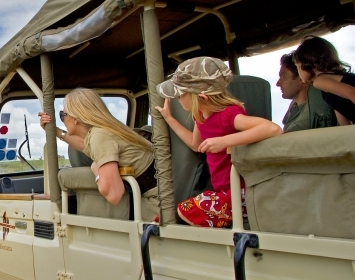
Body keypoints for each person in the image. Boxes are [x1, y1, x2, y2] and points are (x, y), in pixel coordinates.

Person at [155, 57, 282, 228]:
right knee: (166, 216)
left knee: (186, 211)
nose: (177, 98)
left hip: (240, 192)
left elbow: (273, 129)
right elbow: (195, 144)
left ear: (201, 97)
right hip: (222, 190)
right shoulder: (199, 116)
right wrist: (169, 119)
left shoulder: (229, 115)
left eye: (180, 94)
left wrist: (224, 141)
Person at [39, 88, 167, 223]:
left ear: (75, 118)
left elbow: (114, 195)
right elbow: (84, 145)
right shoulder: (101, 132)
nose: (63, 120)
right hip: (164, 198)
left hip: (156, 206)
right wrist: (55, 131)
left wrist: (96, 170)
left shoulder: (99, 137)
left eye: (62, 115)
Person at [293, 35, 355, 125]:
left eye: (297, 66)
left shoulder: (320, 81)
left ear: (304, 66)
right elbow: (341, 112)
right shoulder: (330, 84)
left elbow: (354, 93)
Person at [277, 52, 336, 132]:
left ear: (301, 78)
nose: (278, 83)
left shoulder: (319, 105)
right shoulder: (293, 109)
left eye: (283, 76)